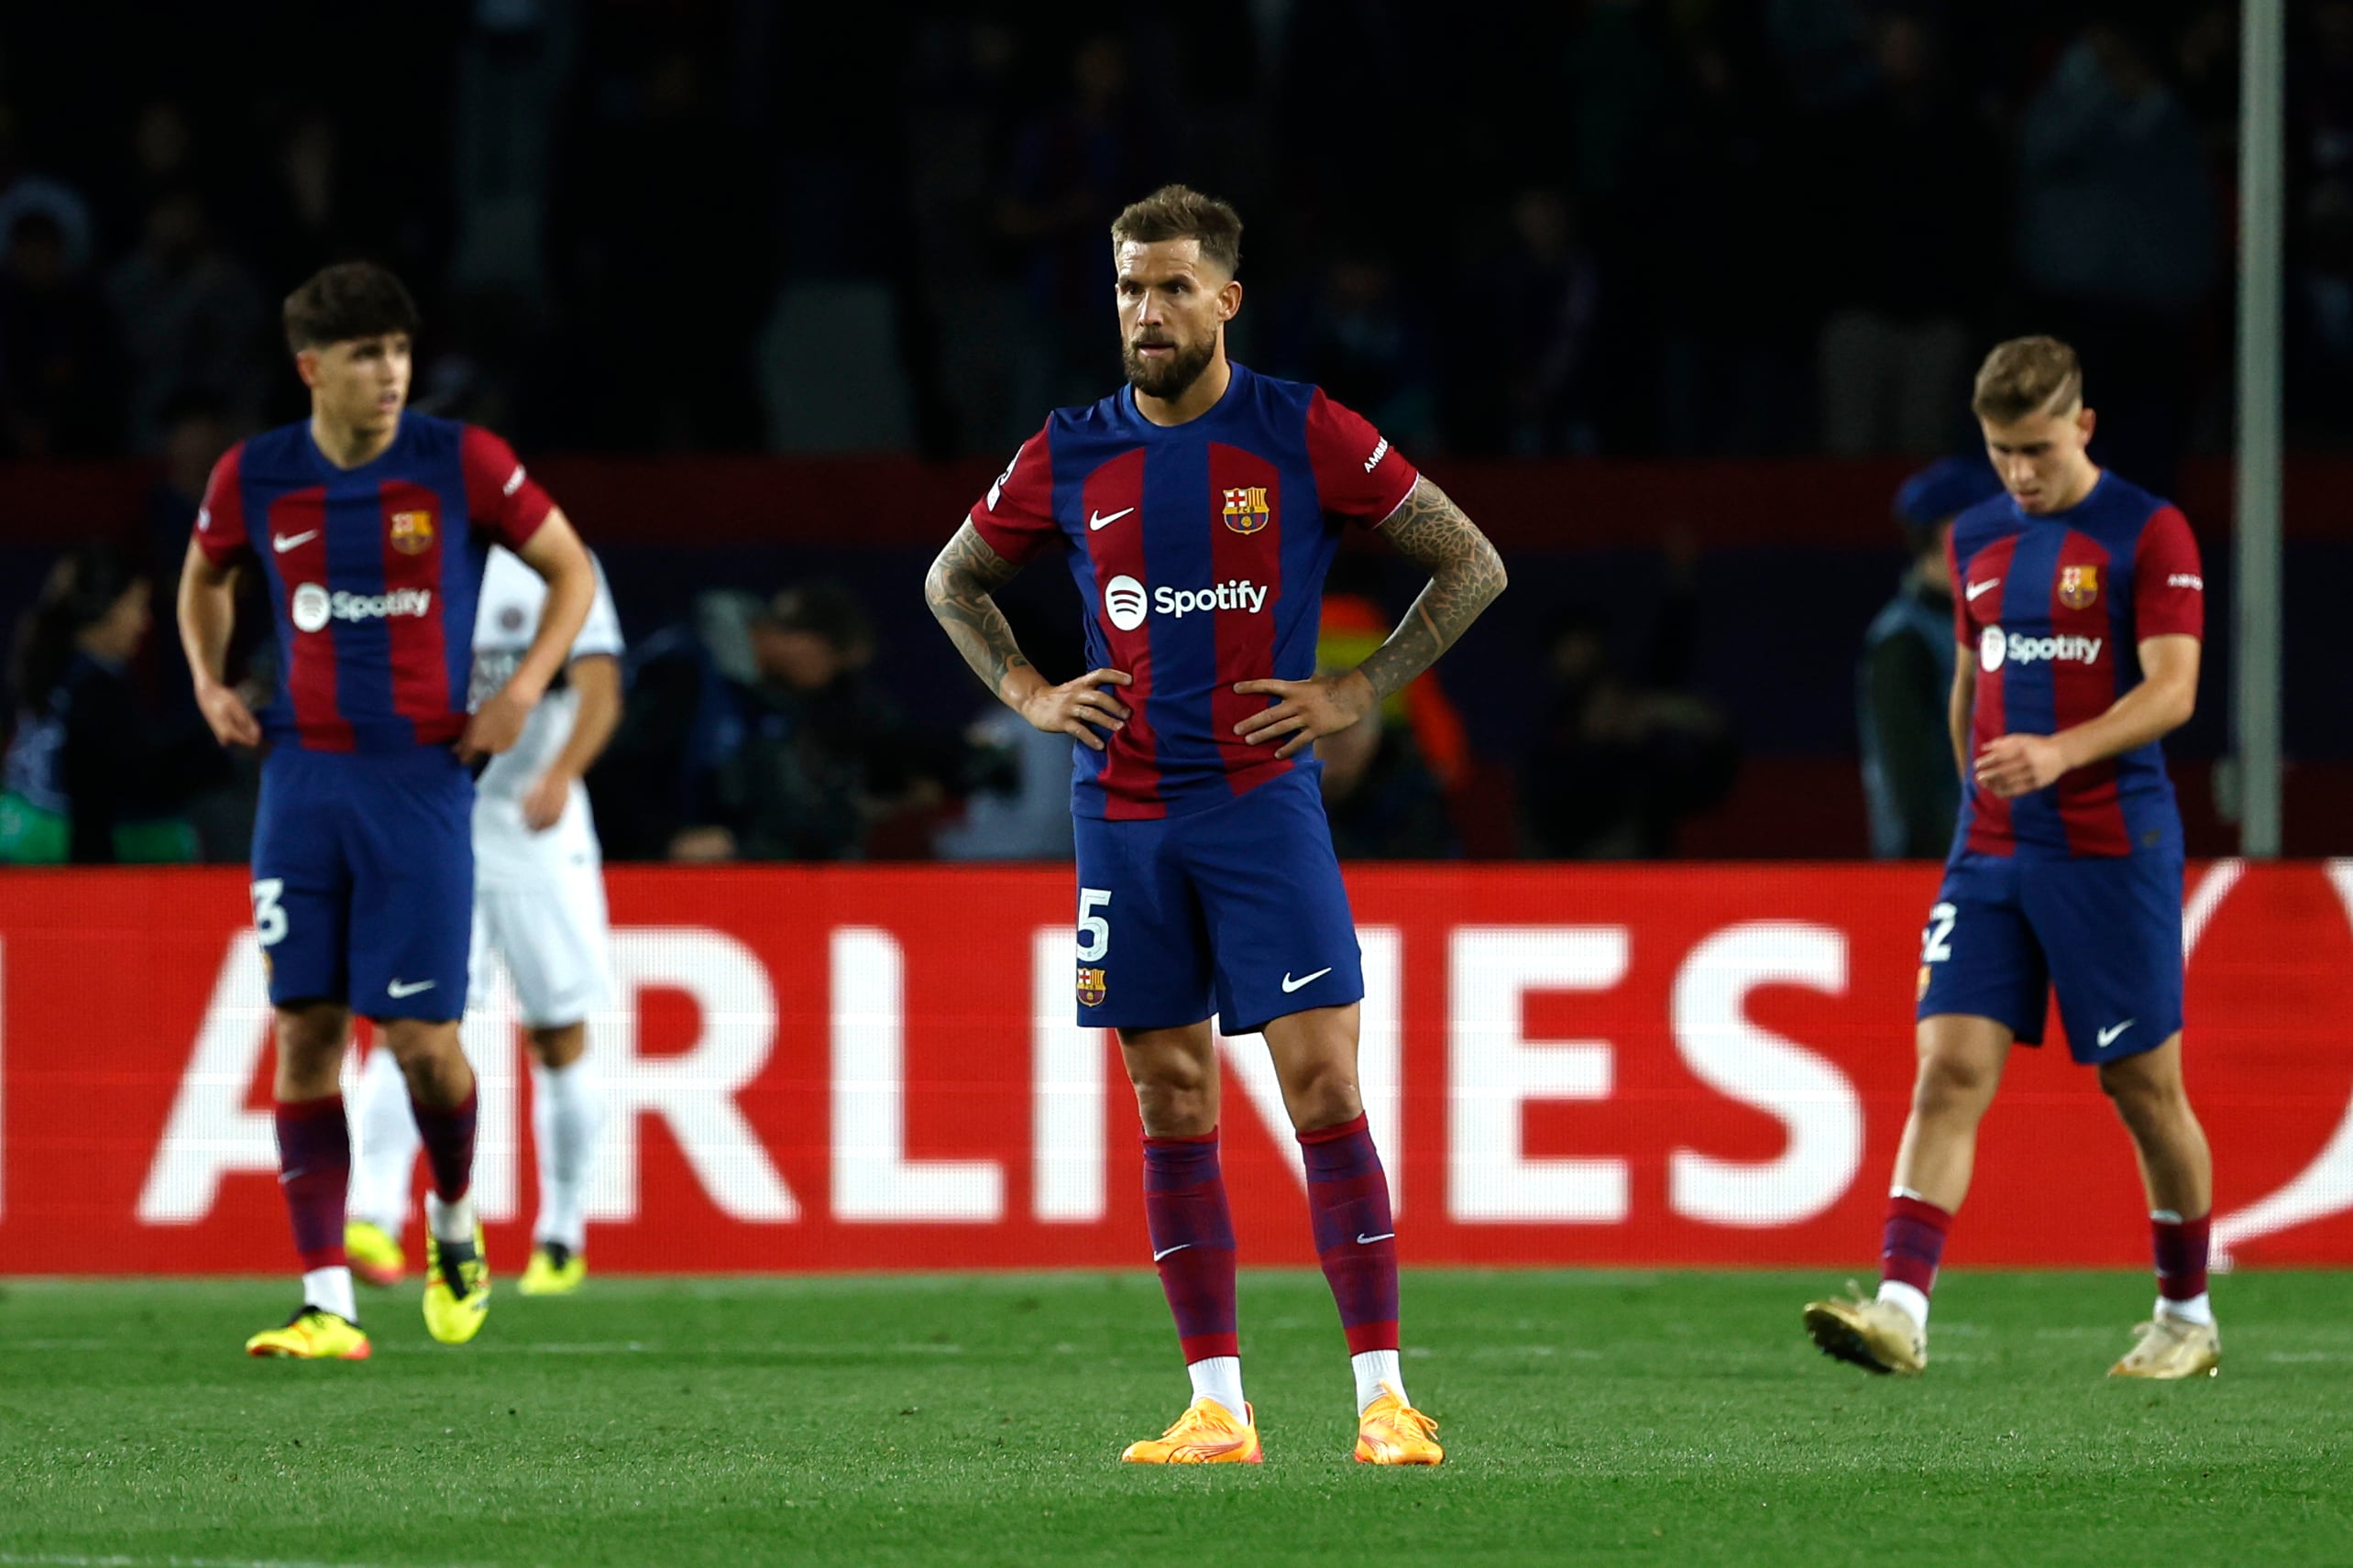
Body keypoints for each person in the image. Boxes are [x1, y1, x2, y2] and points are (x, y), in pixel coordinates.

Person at [924, 185, 1505, 1464]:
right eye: (1129, 287)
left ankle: (1384, 1400)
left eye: (1173, 287)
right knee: (1169, 1094)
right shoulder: (1067, 450)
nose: (1147, 311)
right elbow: (952, 579)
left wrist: (1357, 687)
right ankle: (1216, 1407)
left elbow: (1470, 560)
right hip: (1120, 814)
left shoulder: (1302, 430)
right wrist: (1028, 692)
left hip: (1258, 807)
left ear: (1226, 298)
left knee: (1323, 1083)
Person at [178, 261, 596, 1360]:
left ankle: (452, 1219)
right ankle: (327, 1302)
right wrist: (208, 680)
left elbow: (572, 571)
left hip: (421, 781)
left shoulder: (463, 461)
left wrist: (520, 692)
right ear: (312, 367)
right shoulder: (255, 473)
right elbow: (205, 574)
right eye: (367, 355)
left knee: (421, 1043)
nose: (391, 372)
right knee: (305, 1034)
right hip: (302, 779)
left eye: (400, 351)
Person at [1804, 336, 2216, 1380]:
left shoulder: (2148, 531)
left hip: (2109, 846)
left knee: (2140, 1086)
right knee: (1946, 1068)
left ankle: (2185, 1314)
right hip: (1990, 850)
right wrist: (1972, 809)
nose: (2019, 473)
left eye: (2037, 448)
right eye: (2000, 451)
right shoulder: (1977, 537)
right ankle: (1899, 1310)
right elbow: (1967, 683)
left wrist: (2059, 753)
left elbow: (2173, 690)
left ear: (2082, 426)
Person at [345, 543, 624, 1297]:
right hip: (437, 826)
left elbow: (600, 688)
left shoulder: (556, 562)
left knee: (557, 1031)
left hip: (537, 833)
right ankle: (373, 1213)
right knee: (411, 1021)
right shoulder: (400, 561)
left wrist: (561, 773)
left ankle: (561, 1233)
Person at [0, 543, 223, 862]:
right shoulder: (93, 691)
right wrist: (218, 743)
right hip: (54, 844)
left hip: (17, 823)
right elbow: (135, 784)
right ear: (103, 608)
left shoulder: (56, 661)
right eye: (137, 606)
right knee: (187, 832)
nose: (145, 622)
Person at [1860, 456, 2001, 859]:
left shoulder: (1993, 624)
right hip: (1941, 866)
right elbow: (1912, 786)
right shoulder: (1904, 641)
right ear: (1950, 532)